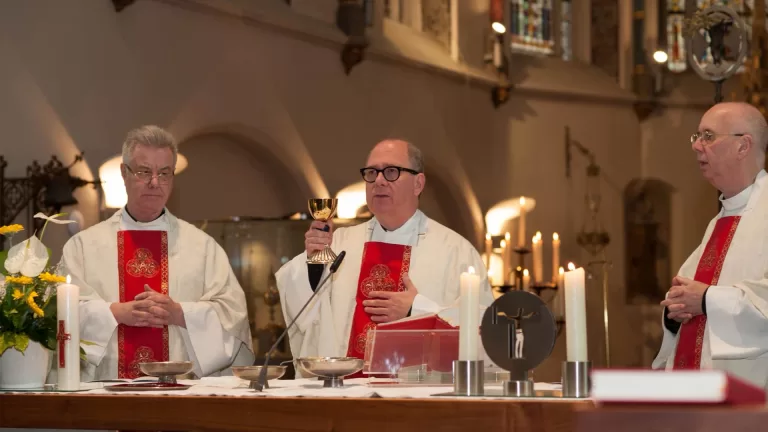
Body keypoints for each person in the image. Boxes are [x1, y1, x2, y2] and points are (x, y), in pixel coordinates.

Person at [60, 125, 254, 381]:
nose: (154, 182)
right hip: (107, 392)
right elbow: (61, 314)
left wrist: (180, 314)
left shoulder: (203, 247)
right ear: (123, 173)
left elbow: (233, 315)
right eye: (144, 171)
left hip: (180, 395)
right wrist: (115, 313)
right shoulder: (82, 247)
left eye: (164, 173)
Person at [276, 139, 493, 363]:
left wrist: (415, 309)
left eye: (391, 171)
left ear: (418, 184)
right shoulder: (340, 242)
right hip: (346, 388)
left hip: (417, 391)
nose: (378, 181)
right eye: (371, 172)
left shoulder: (455, 251)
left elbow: (481, 327)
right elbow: (306, 313)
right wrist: (314, 262)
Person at [654, 102, 768, 389]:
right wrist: (674, 314)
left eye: (708, 136)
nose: (696, 146)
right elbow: (692, 297)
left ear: (743, 146)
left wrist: (706, 300)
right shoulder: (722, 218)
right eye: (697, 137)